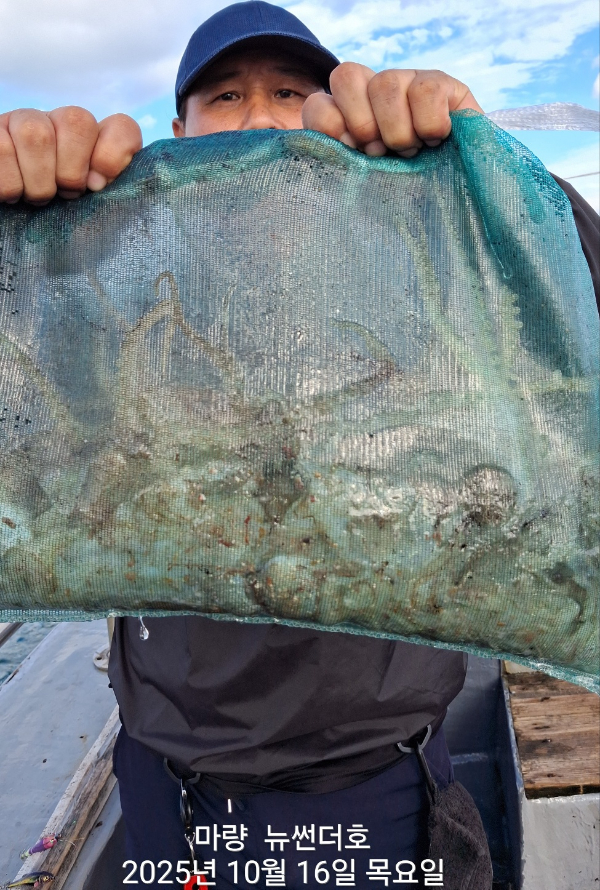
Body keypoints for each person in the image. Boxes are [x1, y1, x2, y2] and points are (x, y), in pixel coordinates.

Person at [1, 3, 598, 887]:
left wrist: (487, 180)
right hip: (159, 782)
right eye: (226, 97)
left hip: (371, 789)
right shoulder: (109, 296)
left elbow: (571, 317)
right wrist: (22, 226)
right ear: (178, 135)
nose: (262, 120)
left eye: (290, 93)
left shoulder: (421, 275)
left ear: (332, 115)